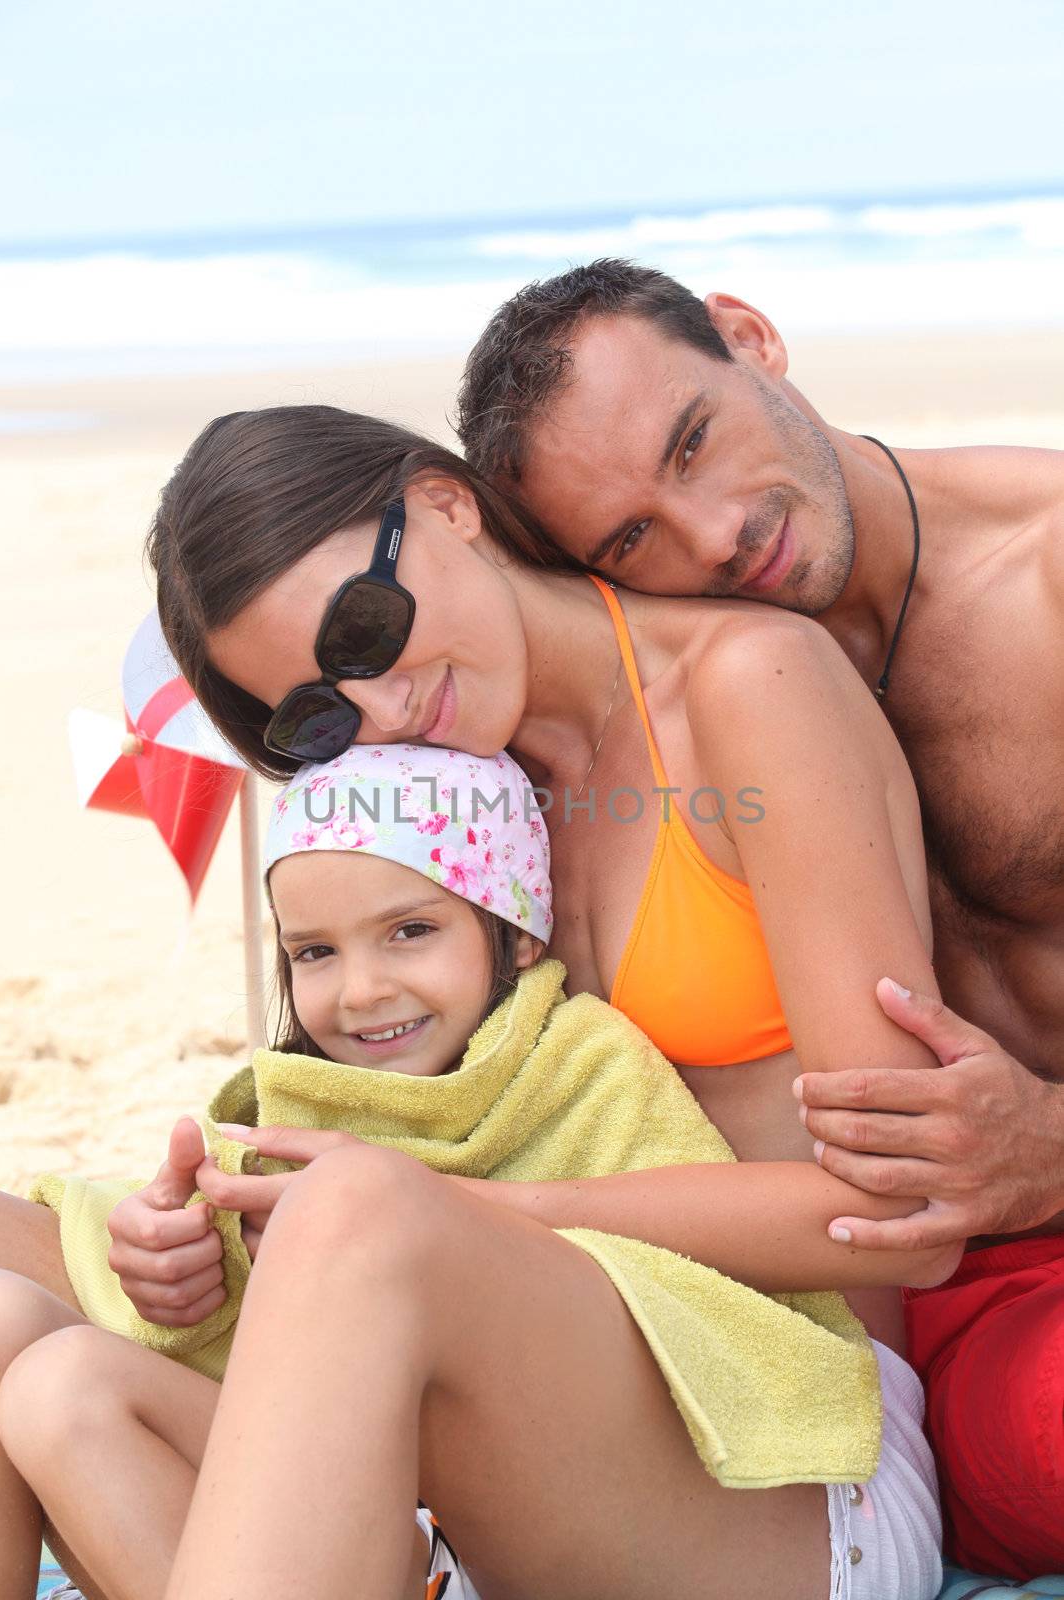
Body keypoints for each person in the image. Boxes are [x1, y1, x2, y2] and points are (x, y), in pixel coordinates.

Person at [74, 397, 967, 1597]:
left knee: (362, 1214)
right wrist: (190, 1242)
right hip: (528, 1420)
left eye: (365, 626)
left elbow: (906, 1218)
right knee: (38, 1353)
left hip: (793, 1446)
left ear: (444, 505)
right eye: (319, 711)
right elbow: (414, 1118)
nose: (381, 710)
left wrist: (478, 1212)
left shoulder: (744, 688)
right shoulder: (430, 789)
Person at [0, 746, 946, 1600]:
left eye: (410, 930)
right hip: (443, 1541)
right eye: (315, 953)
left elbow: (704, 1317)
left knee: (356, 1201)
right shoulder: (301, 1101)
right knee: (53, 1379)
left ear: (516, 933)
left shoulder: (576, 1070)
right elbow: (287, 1381)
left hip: (760, 1512)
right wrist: (179, 1278)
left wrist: (433, 1209)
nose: (362, 989)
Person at [454, 258, 1064, 1575]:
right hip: (966, 1311)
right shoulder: (668, 713)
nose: (710, 534)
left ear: (749, 338)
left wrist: (1050, 1143)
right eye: (629, 540)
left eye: (692, 441)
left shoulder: (1043, 577)